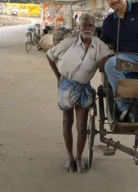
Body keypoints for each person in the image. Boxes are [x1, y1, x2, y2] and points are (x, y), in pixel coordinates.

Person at [46, 13, 114, 173]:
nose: (88, 28)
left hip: (83, 87)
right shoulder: (69, 41)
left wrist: (104, 61)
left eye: (91, 25)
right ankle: (69, 157)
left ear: (94, 27)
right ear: (79, 27)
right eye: (85, 25)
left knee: (82, 127)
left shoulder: (98, 44)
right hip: (66, 85)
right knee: (66, 122)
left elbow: (111, 55)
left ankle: (78, 157)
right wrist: (58, 78)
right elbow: (49, 56)